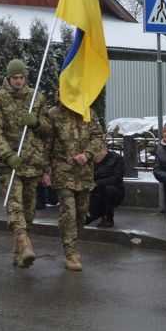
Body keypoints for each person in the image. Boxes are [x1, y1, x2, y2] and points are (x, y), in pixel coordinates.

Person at [0, 59, 53, 267]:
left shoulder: (37, 98)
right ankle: (25, 245)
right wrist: (7, 155)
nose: (18, 81)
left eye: (21, 77)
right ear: (8, 78)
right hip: (11, 164)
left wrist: (36, 122)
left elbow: (48, 130)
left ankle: (18, 249)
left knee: (29, 210)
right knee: (15, 206)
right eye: (15, 77)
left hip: (33, 162)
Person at [48, 102, 102, 271]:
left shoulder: (88, 112)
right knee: (69, 212)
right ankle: (70, 252)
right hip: (63, 171)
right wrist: (45, 170)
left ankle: (70, 238)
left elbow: (97, 137)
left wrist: (87, 154)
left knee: (81, 211)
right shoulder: (53, 114)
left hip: (84, 173)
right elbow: (46, 143)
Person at [88, 144, 125, 228]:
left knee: (109, 190)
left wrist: (96, 184)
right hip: (94, 193)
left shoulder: (116, 159)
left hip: (113, 190)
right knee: (86, 219)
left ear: (105, 150)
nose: (95, 155)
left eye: (98, 152)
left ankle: (107, 217)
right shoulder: (90, 160)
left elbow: (116, 177)